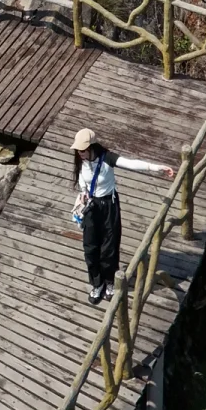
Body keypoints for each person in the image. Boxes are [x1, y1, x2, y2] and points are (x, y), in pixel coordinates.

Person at [71, 127, 175, 305]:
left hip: (109, 206)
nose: (79, 153)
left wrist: (157, 168)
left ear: (91, 146)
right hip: (92, 206)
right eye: (78, 150)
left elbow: (131, 164)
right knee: (90, 248)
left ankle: (110, 282)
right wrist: (83, 192)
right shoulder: (81, 159)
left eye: (82, 150)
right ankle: (97, 284)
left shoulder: (107, 158)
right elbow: (82, 178)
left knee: (109, 247)